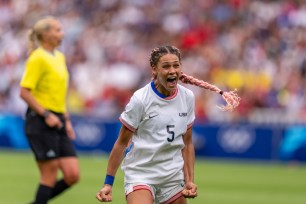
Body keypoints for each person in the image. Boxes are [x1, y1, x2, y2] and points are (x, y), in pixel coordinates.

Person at [96, 45, 240, 204]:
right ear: (154, 70)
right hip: (141, 174)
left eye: (176, 65)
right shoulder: (140, 99)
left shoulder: (187, 97)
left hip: (172, 177)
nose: (172, 70)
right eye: (166, 66)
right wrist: (108, 183)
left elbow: (187, 143)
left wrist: (189, 180)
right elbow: (121, 143)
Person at [19, 16, 80, 204]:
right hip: (40, 120)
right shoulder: (37, 57)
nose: (62, 33)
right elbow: (24, 92)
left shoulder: (60, 57)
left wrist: (66, 120)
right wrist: (46, 114)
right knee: (49, 175)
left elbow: (59, 94)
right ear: (45, 34)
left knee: (72, 175)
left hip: (59, 118)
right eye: (58, 30)